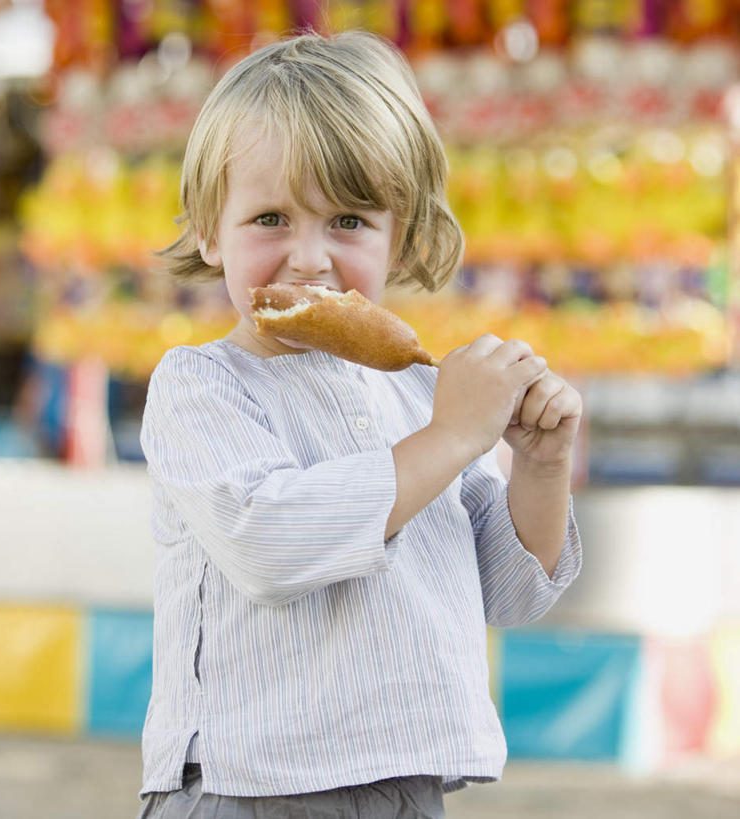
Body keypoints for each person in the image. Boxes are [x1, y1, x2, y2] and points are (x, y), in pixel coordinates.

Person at [137, 29, 583, 819]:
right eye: (270, 218)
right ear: (209, 230)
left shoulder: (416, 394)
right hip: (252, 787)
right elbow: (271, 542)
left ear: (399, 237)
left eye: (347, 221)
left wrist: (539, 466)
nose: (307, 257)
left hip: (405, 786)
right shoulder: (201, 385)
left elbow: (510, 592)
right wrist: (448, 438)